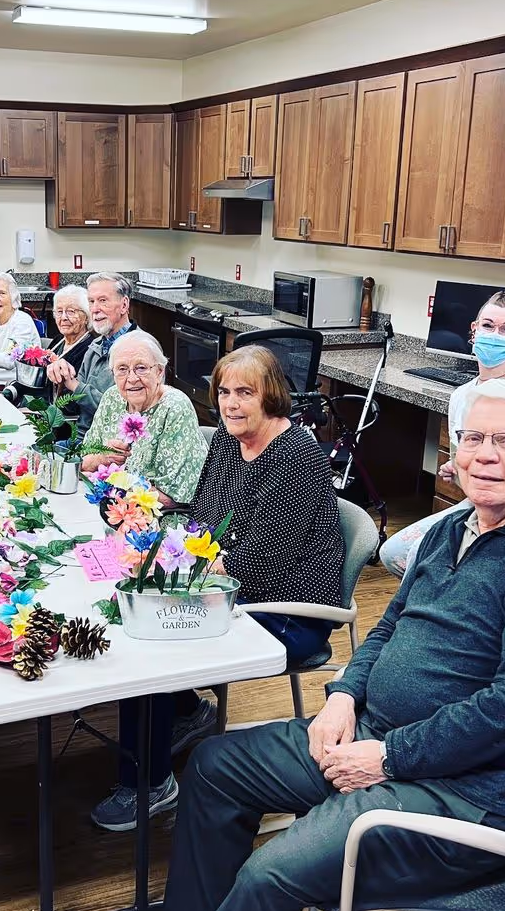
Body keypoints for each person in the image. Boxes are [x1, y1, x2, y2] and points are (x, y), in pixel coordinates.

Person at [79, 379, 505, 911]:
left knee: (274, 871)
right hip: (376, 736)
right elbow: (388, 627)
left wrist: (390, 756)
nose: (484, 456)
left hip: (461, 795)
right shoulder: (457, 525)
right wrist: (343, 695)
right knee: (217, 767)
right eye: (473, 438)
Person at [90, 346, 343, 834]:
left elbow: (263, 561)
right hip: (230, 585)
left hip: (289, 609)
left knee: (155, 637)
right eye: (225, 391)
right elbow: (203, 517)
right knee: (137, 606)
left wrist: (172, 570)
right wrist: (154, 539)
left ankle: (150, 783)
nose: (231, 403)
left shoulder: (297, 457)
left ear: (271, 395)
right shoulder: (230, 442)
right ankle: (185, 711)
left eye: (245, 392)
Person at [380, 290, 505, 577]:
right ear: (474, 331)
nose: (495, 334)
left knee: (465, 572)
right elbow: (468, 467)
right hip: (487, 505)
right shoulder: (462, 397)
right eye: (488, 326)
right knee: (398, 554)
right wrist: (461, 467)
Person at [81, 331, 207, 506]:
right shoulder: (112, 397)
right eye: (122, 369)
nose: (132, 379)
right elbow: (84, 462)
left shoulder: (174, 407)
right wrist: (102, 458)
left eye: (141, 368)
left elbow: (173, 498)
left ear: (159, 372)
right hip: (106, 504)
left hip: (156, 520)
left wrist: (116, 487)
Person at [46, 272, 139, 432]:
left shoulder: (138, 349)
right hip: (81, 440)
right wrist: (63, 378)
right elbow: (73, 406)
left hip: (111, 449)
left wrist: (75, 385)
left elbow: (122, 413)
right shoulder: (96, 345)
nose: (95, 309)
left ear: (124, 305)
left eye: (103, 301)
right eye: (91, 301)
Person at [49, 284, 93, 375]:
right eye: (59, 311)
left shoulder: (89, 349)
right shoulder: (58, 340)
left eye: (71, 311)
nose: (63, 317)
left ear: (86, 317)